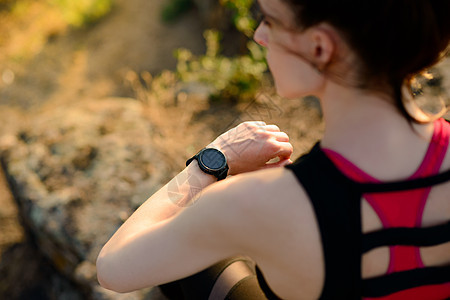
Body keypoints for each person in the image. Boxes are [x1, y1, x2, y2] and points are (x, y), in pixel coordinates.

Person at [96, 0, 450, 299]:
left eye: (270, 20)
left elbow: (114, 267)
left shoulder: (253, 203)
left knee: (183, 264)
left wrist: (213, 160)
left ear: (319, 48)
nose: (259, 36)